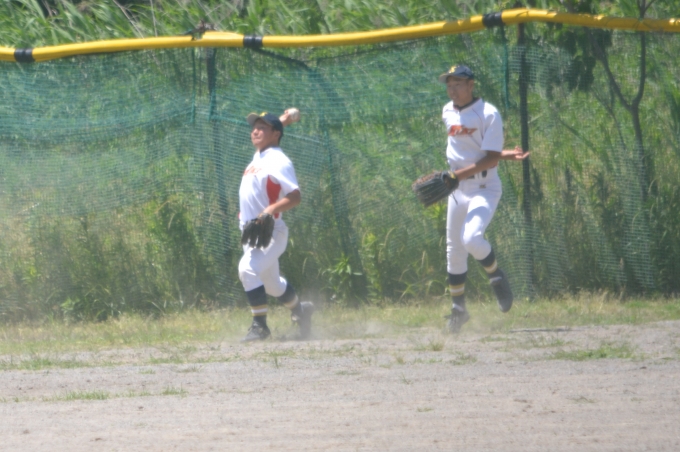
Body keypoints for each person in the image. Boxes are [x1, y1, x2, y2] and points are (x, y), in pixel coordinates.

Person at [437, 65, 529, 334]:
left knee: (471, 238)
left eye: (458, 84)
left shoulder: (489, 113)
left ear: (471, 85)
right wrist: (506, 153)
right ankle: (459, 310)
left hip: (484, 187)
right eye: (449, 85)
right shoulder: (447, 111)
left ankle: (496, 276)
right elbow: (471, 149)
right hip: (457, 189)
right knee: (454, 251)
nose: (452, 89)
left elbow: (489, 159)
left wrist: (457, 175)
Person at [238, 111, 313, 341]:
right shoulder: (260, 156)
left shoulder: (279, 161)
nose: (255, 131)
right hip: (252, 234)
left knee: (247, 270)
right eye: (254, 127)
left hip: (271, 232)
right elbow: (271, 132)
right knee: (272, 285)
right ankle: (302, 311)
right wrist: (282, 121)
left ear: (275, 135)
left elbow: (295, 196)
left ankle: (260, 327)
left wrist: (271, 209)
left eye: (262, 127)